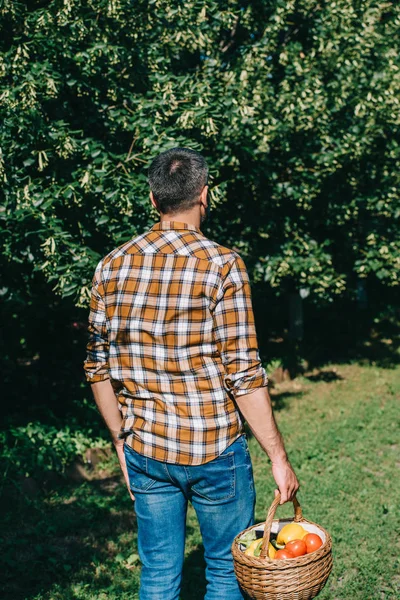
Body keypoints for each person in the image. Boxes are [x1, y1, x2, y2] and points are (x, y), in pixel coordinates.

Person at [84, 147, 299, 600]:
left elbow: (96, 368)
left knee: (158, 574)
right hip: (214, 452)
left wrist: (121, 440)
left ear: (152, 199)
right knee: (224, 573)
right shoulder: (222, 265)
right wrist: (278, 458)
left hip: (146, 448)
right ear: (205, 195)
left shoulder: (111, 266)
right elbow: (243, 374)